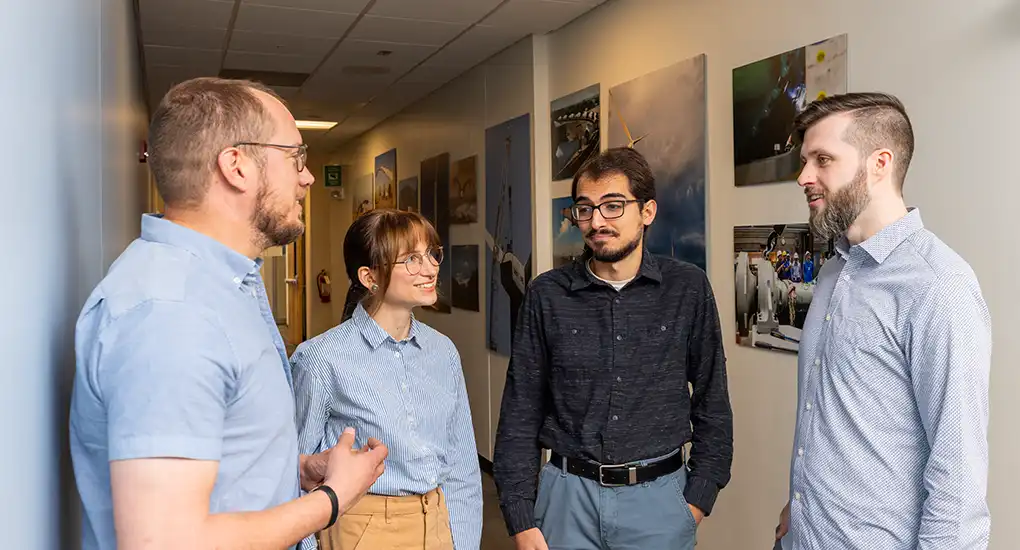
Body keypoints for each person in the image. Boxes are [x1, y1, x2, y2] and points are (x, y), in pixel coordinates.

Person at [69, 77, 388, 550]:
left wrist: (296, 469)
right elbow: (167, 542)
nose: (308, 177)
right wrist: (332, 498)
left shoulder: (222, 287)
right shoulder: (171, 317)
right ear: (236, 166)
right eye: (295, 157)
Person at [774, 92, 992, 549]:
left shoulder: (939, 286)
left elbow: (959, 478)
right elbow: (838, 421)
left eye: (822, 159)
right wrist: (801, 506)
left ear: (880, 163)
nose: (803, 177)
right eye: (804, 160)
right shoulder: (835, 269)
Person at [493, 147, 734, 550]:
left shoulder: (687, 289)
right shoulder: (547, 294)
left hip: (660, 501)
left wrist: (697, 499)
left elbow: (713, 401)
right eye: (584, 209)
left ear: (647, 211)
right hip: (566, 499)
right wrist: (520, 515)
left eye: (613, 206)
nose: (596, 221)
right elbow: (520, 410)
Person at [292, 208, 482, 550]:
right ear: (370, 276)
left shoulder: (443, 352)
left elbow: (462, 466)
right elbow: (297, 478)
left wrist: (463, 544)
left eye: (431, 254)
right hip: (362, 529)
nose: (430, 269)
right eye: (411, 259)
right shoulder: (320, 358)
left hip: (437, 525)